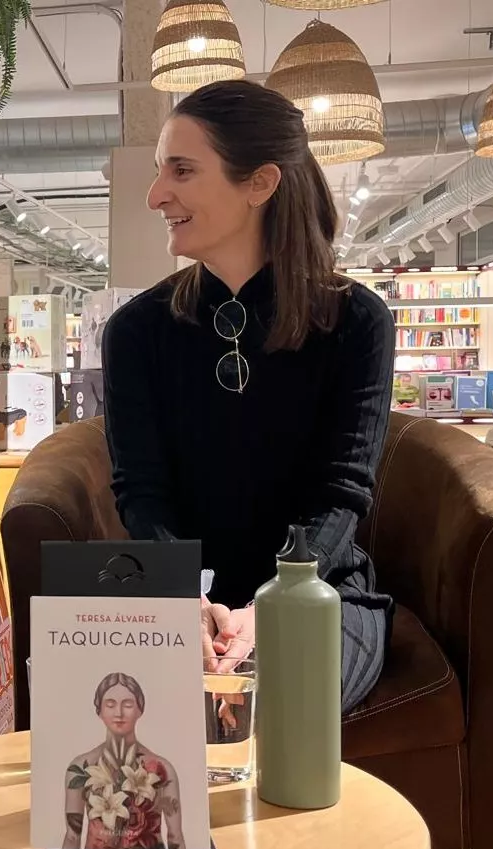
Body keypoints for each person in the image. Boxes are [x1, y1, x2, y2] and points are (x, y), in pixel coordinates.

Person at [101, 79, 395, 714]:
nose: (156, 195)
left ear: (259, 183)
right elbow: (141, 492)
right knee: (129, 713)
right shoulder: (136, 333)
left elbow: (342, 491)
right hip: (179, 597)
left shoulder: (355, 321)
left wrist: (276, 600)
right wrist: (186, 599)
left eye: (182, 170)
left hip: (319, 591)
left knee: (283, 702)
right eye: (160, 172)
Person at [62, 673, 184, 849]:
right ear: (99, 710)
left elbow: (176, 837)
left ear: (140, 709)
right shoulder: (80, 768)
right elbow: (72, 836)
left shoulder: (162, 770)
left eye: (127, 704)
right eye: (110, 705)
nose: (118, 713)